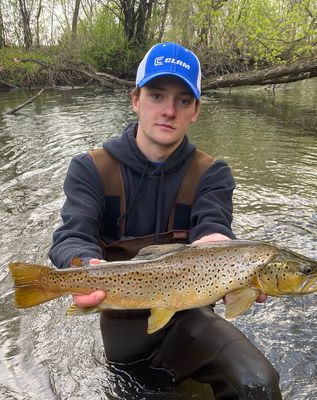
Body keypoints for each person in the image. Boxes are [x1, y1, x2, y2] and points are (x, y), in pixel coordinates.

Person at [49, 42, 282, 400]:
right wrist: (84, 267)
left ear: (196, 110)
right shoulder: (91, 168)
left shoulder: (213, 174)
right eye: (157, 95)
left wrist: (220, 248)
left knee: (258, 383)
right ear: (135, 99)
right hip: (125, 331)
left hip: (192, 319)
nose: (169, 110)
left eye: (183, 100)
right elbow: (72, 235)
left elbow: (213, 226)